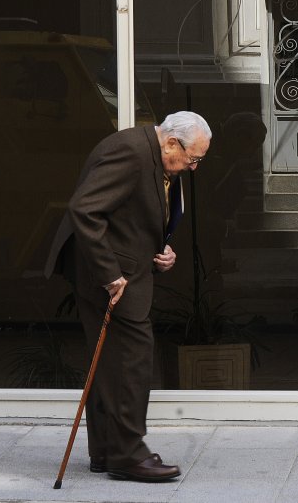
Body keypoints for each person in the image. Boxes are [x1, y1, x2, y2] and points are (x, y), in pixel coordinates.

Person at [44, 111, 212, 482]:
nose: (193, 167)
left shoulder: (152, 153)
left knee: (109, 362)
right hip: (112, 275)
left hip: (126, 266)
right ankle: (128, 455)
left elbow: (133, 215)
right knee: (131, 361)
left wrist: (163, 249)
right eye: (192, 158)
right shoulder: (131, 152)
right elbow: (85, 209)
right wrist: (110, 275)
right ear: (171, 142)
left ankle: (106, 450)